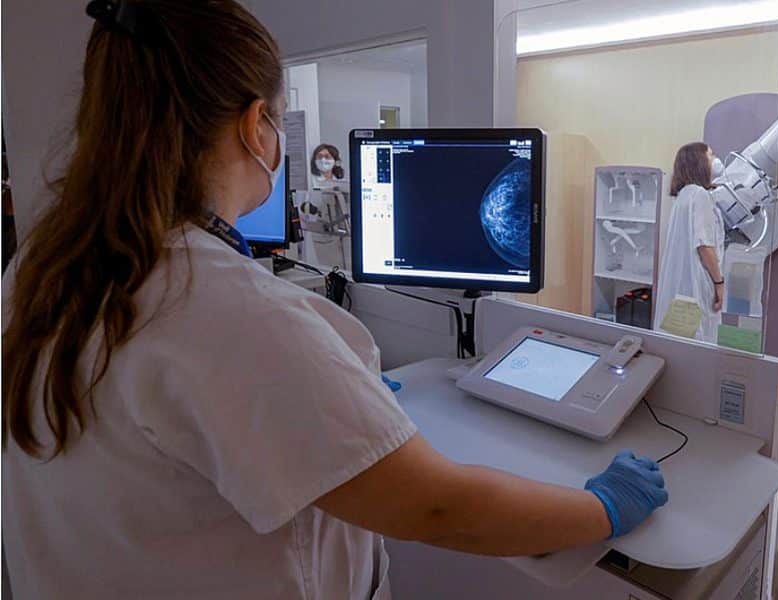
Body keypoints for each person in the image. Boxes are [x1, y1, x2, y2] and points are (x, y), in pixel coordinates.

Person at [1, 2, 667, 599]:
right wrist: (601, 507)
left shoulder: (41, 268)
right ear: (257, 125)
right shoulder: (224, 309)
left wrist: (328, 395)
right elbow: (437, 509)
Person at [653, 142, 727, 343]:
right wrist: (719, 282)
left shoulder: (683, 196)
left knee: (681, 340)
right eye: (711, 156)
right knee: (700, 341)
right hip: (699, 283)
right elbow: (704, 246)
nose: (716, 160)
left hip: (683, 287)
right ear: (699, 162)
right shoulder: (700, 195)